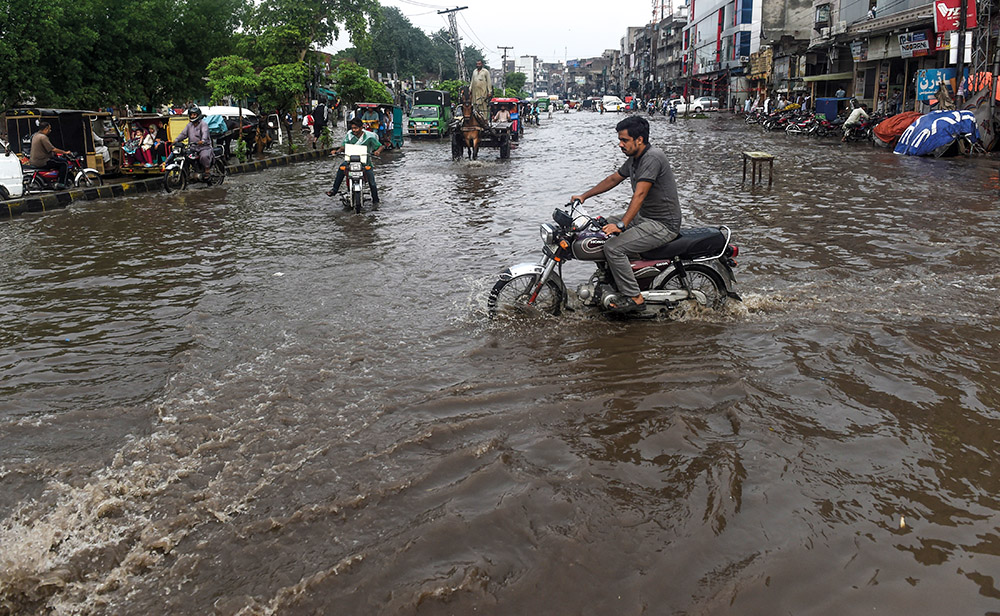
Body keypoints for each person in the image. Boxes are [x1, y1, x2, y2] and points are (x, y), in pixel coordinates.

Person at [569, 115, 681, 314]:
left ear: (639, 140)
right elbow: (613, 179)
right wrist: (584, 196)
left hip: (662, 224)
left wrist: (621, 225)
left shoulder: (652, 157)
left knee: (613, 247)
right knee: (597, 226)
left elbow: (640, 194)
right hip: (645, 217)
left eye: (624, 140)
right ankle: (610, 278)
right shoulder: (634, 159)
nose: (620, 144)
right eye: (619, 139)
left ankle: (635, 298)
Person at [325, 118, 384, 204]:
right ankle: (334, 190)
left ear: (361, 128)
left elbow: (381, 146)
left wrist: (378, 151)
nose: (354, 130)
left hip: (365, 162)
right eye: (352, 128)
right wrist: (337, 151)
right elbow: (343, 146)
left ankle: (375, 200)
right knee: (341, 168)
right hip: (350, 161)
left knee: (372, 183)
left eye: (356, 128)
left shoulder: (369, 137)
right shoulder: (349, 135)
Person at [173, 106, 214, 179]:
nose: (192, 116)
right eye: (191, 114)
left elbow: (205, 133)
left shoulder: (203, 124)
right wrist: (176, 140)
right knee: (185, 156)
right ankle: (188, 172)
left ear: (198, 115)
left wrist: (203, 141)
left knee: (204, 156)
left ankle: (207, 170)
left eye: (194, 115)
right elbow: (183, 134)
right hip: (192, 147)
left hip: (204, 147)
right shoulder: (189, 125)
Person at [29, 122, 71, 188]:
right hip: (43, 161)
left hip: (35, 161)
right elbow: (52, 149)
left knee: (57, 161)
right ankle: (61, 184)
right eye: (49, 129)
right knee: (64, 163)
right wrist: (65, 152)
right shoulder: (43, 137)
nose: (50, 131)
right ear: (46, 129)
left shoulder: (35, 135)